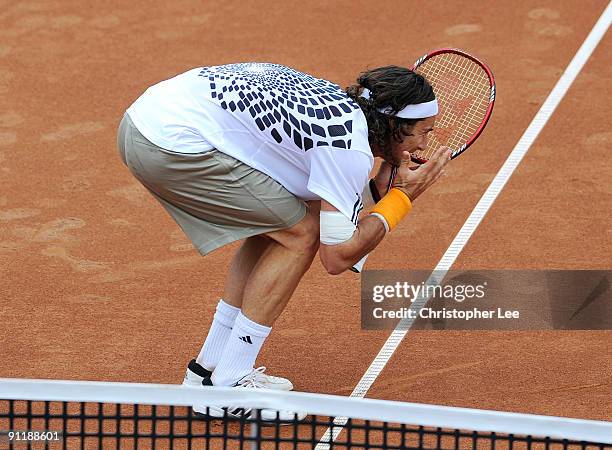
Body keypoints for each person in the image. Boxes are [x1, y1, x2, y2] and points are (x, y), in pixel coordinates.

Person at [117, 62, 450, 419]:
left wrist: (382, 187)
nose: (424, 144)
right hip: (170, 144)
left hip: (142, 122)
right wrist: (403, 198)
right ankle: (231, 386)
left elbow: (322, 207)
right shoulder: (348, 148)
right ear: (393, 126)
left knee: (282, 222)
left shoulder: (341, 113)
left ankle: (207, 371)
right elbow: (336, 255)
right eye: (422, 132)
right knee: (299, 235)